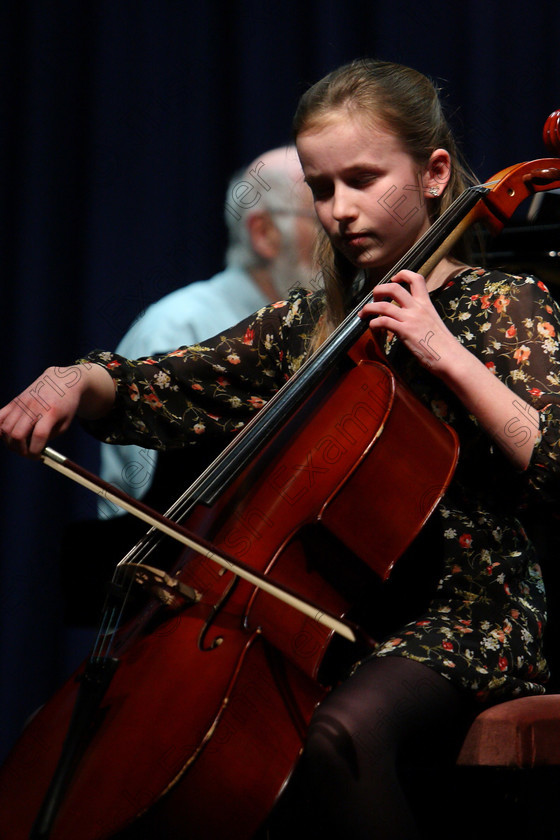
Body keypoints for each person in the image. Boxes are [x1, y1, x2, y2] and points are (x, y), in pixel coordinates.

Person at [2, 59, 560, 839]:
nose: (340, 210)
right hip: (345, 614)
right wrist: (73, 380)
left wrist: (446, 353)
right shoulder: (314, 322)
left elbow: (554, 459)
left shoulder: (508, 305)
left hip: (473, 612)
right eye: (323, 188)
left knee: (340, 739)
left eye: (363, 180)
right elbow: (167, 386)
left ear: (436, 173)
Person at [99, 145, 318, 517]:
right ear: (264, 233)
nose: (343, 225)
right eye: (320, 211)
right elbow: (167, 511)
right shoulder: (179, 326)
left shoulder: (322, 323)